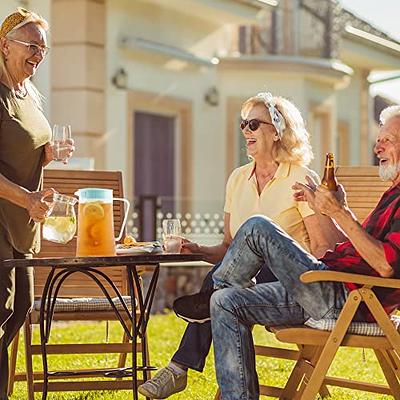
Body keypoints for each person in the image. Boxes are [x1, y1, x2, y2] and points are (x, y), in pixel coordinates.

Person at [173, 104, 400, 400]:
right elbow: (363, 250)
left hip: (349, 299)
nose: (377, 146)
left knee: (258, 227)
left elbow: (385, 265)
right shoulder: (391, 194)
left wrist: (338, 213)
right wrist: (341, 210)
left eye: (388, 140)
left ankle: (211, 291)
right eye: (378, 139)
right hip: (329, 287)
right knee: (225, 301)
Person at [139, 92, 334, 398]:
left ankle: (180, 365)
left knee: (235, 267)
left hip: (291, 284)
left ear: (276, 130)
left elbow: (322, 248)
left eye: (254, 124)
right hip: (249, 282)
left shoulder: (299, 178)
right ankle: (193, 340)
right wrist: (200, 250)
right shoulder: (238, 178)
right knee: (224, 291)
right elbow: (231, 246)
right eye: (243, 123)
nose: (245, 130)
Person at [0, 8, 74, 398]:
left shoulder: (28, 93)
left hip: (24, 221)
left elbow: (22, 148)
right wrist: (26, 197)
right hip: (4, 214)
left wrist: (47, 154)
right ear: (4, 46)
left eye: (43, 48)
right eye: (31, 45)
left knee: (18, 310)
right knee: (1, 313)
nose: (38, 55)